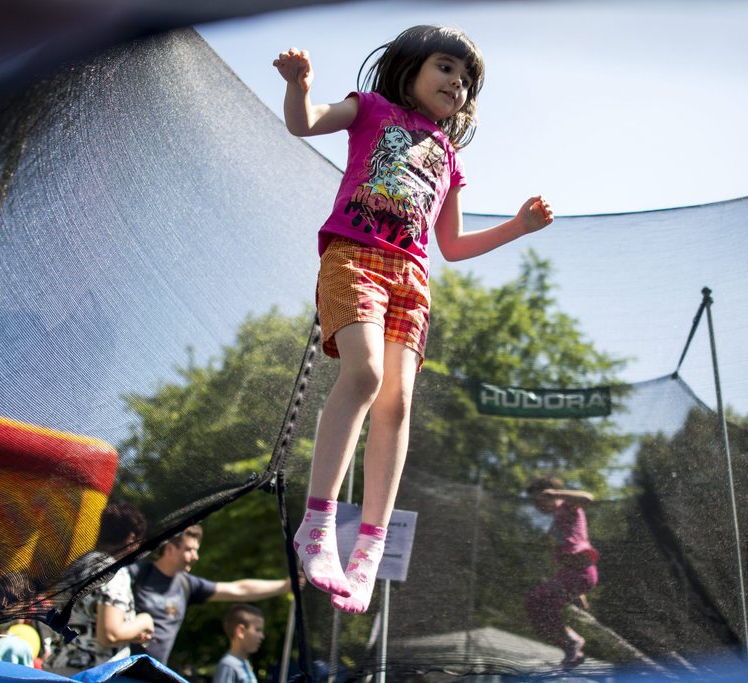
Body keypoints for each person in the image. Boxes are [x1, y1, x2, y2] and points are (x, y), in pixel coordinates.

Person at [273, 24, 555, 615]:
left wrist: (517, 228)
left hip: (412, 279)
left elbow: (450, 245)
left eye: (466, 79)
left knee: (397, 403)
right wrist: (300, 86)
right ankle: (318, 525)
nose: (457, 83)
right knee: (366, 374)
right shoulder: (371, 110)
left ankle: (368, 552)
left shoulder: (449, 157)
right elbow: (304, 122)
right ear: (411, 69)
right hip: (354, 257)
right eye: (446, 68)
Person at [129, 524, 290, 665]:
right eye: (189, 550)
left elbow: (238, 590)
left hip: (153, 674)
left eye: (196, 550)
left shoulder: (187, 585)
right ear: (170, 548)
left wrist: (285, 586)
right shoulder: (137, 574)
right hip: (118, 672)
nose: (195, 557)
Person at [47, 502, 155, 674]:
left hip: (57, 667)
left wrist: (132, 631)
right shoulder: (114, 573)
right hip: (93, 674)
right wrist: (143, 621)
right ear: (130, 538)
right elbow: (110, 634)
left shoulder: (78, 565)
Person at [525, 476, 600, 668]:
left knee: (535, 600)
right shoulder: (556, 520)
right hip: (572, 575)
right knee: (537, 607)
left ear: (549, 494)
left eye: (538, 500)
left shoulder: (567, 506)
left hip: (582, 573)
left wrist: (556, 493)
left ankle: (572, 641)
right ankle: (570, 646)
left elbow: (588, 498)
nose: (536, 506)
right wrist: (579, 591)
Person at [213, 604, 265, 683]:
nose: (262, 636)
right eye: (257, 630)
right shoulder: (229, 666)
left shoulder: (244, 663)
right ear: (240, 631)